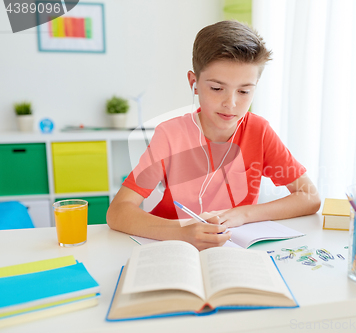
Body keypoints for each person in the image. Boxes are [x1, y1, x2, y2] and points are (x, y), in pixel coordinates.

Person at [107, 20, 321, 250]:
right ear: (194, 83)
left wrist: (243, 214)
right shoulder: (170, 135)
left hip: (230, 249)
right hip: (171, 247)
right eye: (217, 88)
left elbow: (309, 197)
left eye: (244, 91)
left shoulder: (259, 131)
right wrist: (181, 233)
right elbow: (118, 211)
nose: (231, 103)